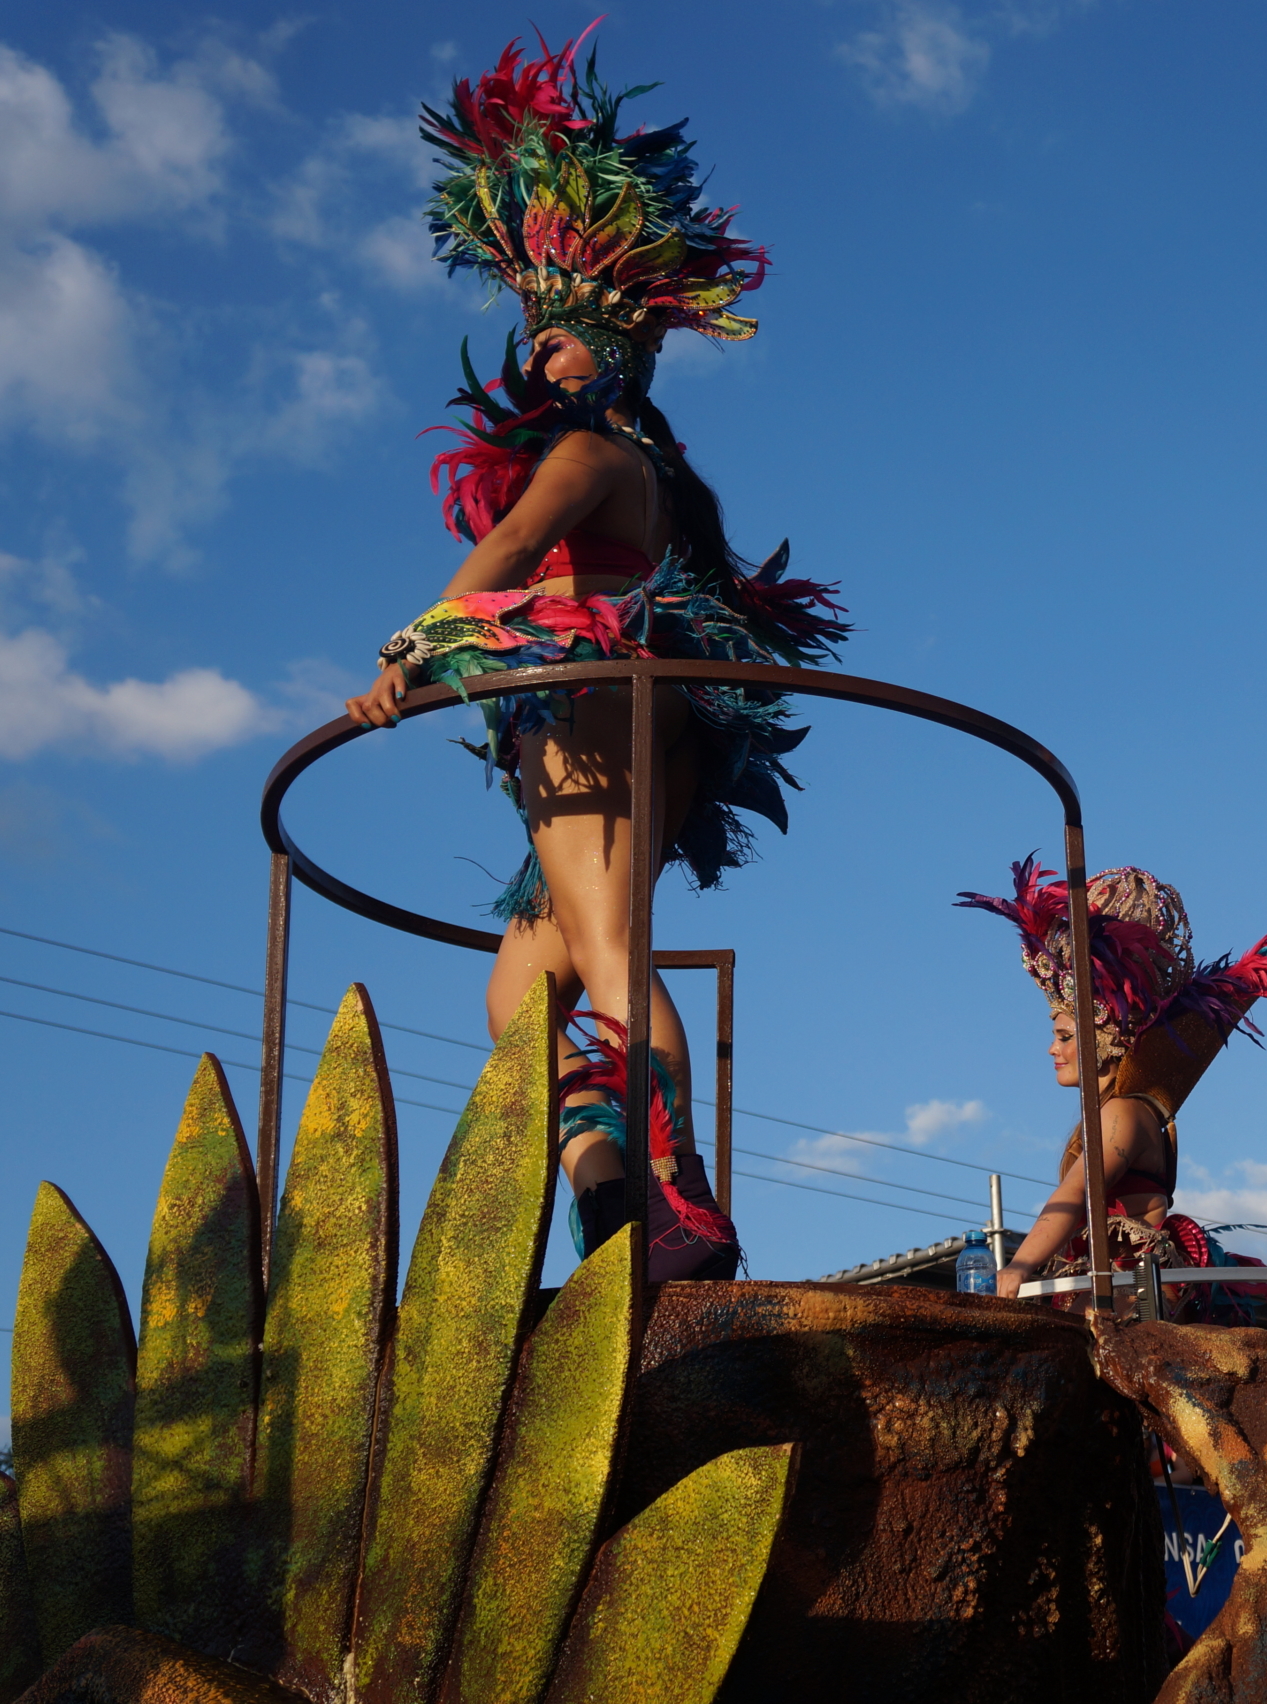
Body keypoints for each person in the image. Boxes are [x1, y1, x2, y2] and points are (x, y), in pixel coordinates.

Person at [342, 34, 848, 1279]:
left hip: (588, 703)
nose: (535, 357)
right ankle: (612, 1205)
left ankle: (682, 1211)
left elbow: (505, 553)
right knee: (520, 987)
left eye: (553, 339)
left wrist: (411, 655)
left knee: (613, 949)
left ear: (605, 350)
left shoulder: (583, 456)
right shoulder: (664, 478)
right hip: (646, 712)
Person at [957, 858, 1267, 1316]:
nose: (1051, 1049)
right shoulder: (1119, 1110)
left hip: (1135, 1307)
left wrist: (1020, 1265)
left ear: (1104, 1041)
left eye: (1065, 1036)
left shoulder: (1122, 1114)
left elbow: (1075, 1195)